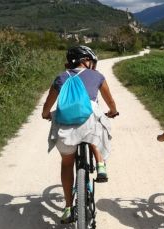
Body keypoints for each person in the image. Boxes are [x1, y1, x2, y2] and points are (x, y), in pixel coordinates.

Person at [42, 46, 118, 223]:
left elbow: (48, 103)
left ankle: (68, 208)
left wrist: (46, 114)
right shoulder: (97, 76)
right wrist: (113, 111)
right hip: (88, 120)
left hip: (64, 123)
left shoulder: (61, 77)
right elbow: (110, 101)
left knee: (67, 164)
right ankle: (100, 165)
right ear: (86, 60)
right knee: (96, 131)